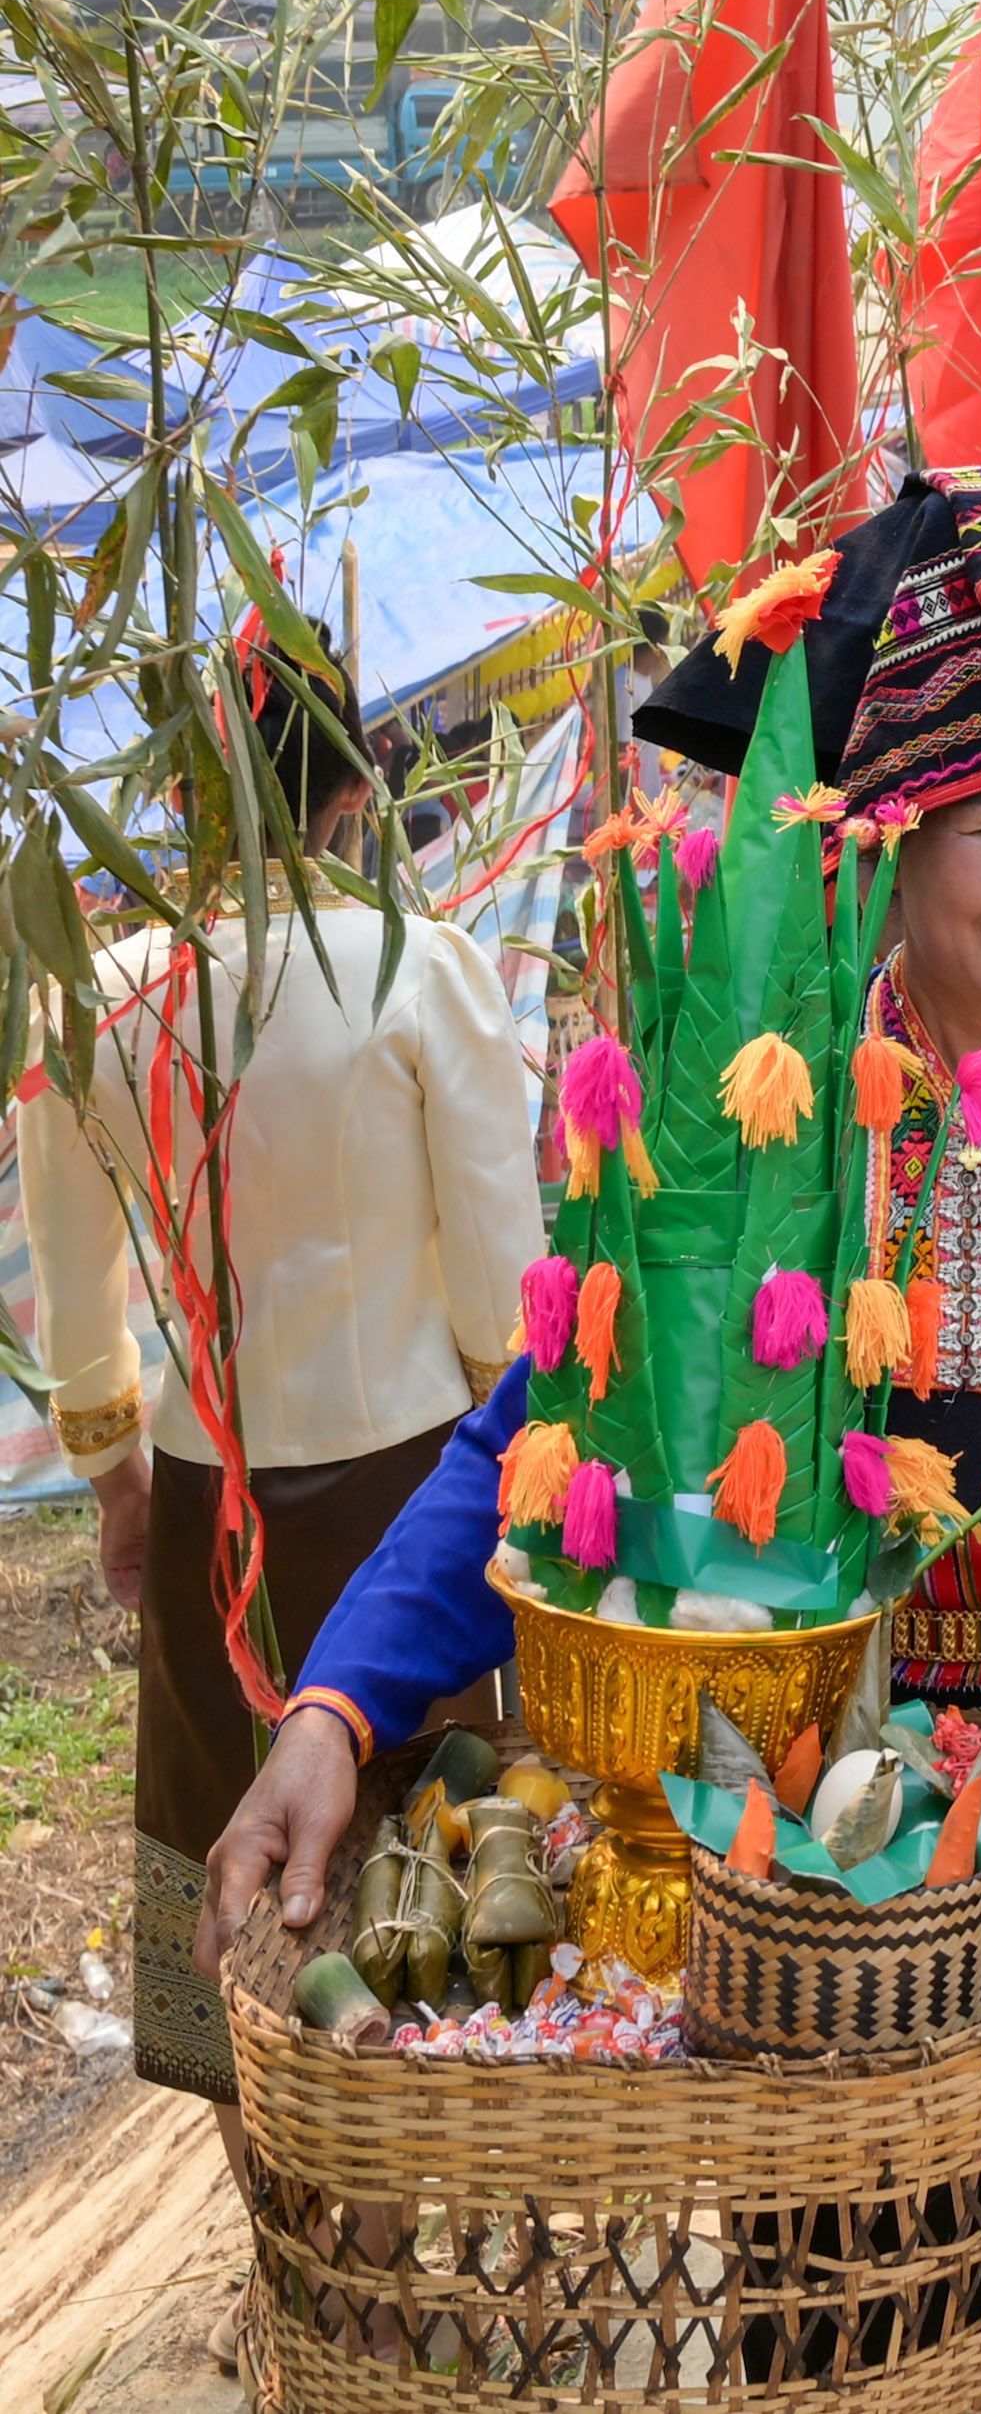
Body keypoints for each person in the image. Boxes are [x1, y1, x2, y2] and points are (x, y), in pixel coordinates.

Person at [207, 470, 981, 2414]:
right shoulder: (746, 1101)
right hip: (786, 1852)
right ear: (881, 840)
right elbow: (537, 1437)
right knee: (823, 2317)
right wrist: (337, 1708)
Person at [19, 670, 538, 2113]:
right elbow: (507, 1291)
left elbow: (76, 1280)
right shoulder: (418, 970)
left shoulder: (103, 996)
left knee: (207, 1826)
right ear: (357, 796)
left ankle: (244, 2125)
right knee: (433, 1828)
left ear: (182, 801)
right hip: (416, 1492)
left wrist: (116, 1468)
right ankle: (430, 2118)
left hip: (204, 1488)